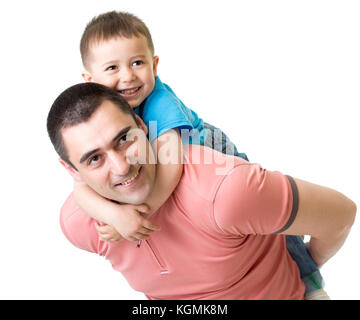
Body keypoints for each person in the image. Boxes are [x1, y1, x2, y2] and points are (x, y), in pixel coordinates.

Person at [74, 11, 324, 298]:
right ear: (88, 79)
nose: (128, 76)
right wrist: (115, 215)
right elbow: (79, 185)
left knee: (272, 224)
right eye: (112, 68)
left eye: (137, 62)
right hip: (164, 161)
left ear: (154, 65)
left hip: (208, 154)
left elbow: (171, 166)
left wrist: (138, 216)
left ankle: (310, 283)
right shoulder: (95, 114)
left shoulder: (160, 102)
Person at [47, 82, 356, 300]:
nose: (121, 167)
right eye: (95, 158)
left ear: (143, 127)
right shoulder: (79, 223)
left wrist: (306, 272)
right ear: (72, 171)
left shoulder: (225, 192)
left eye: (124, 140)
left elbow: (341, 215)